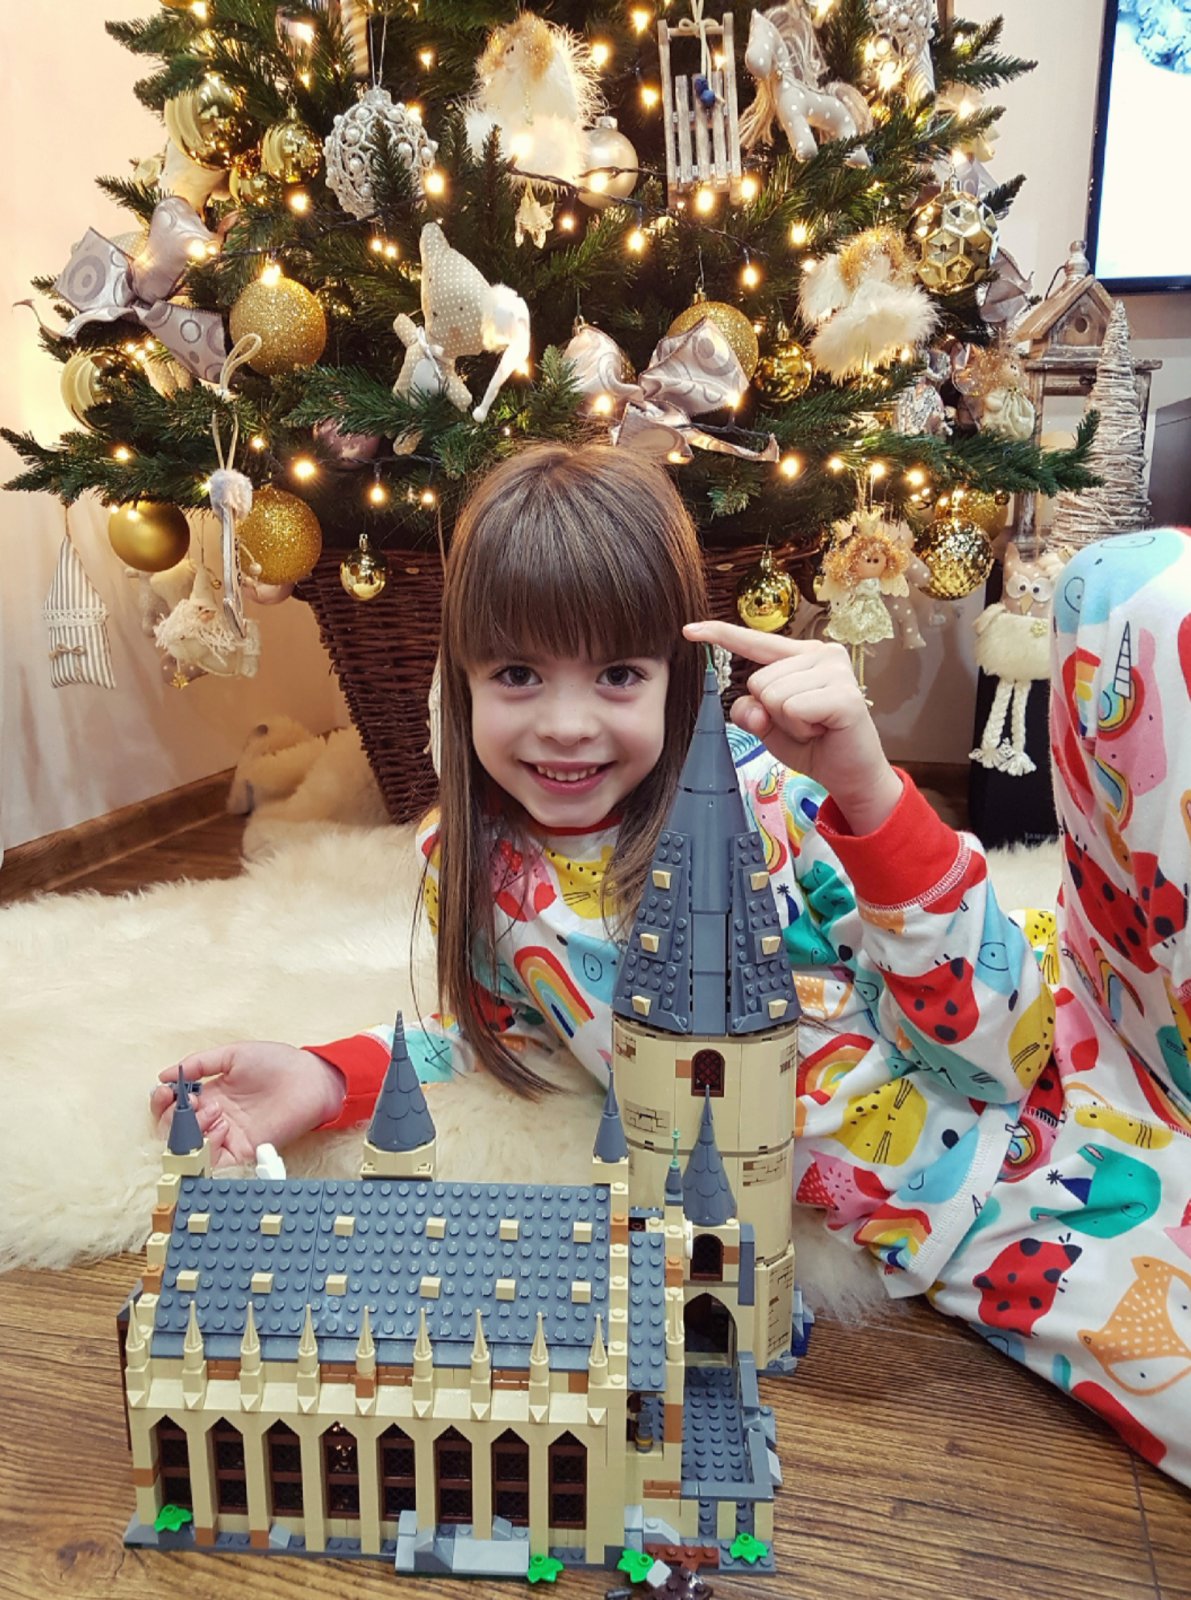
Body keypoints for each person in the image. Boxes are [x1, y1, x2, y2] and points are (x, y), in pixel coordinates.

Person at [150, 445, 1191, 1488]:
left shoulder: (772, 802)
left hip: (1074, 1025)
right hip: (993, 1206)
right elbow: (509, 1041)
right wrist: (327, 1074)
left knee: (1134, 591)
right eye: (517, 674)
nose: (566, 724)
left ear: (679, 677)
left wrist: (868, 791)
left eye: (617, 674)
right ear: (458, 685)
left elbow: (998, 1048)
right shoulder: (471, 870)